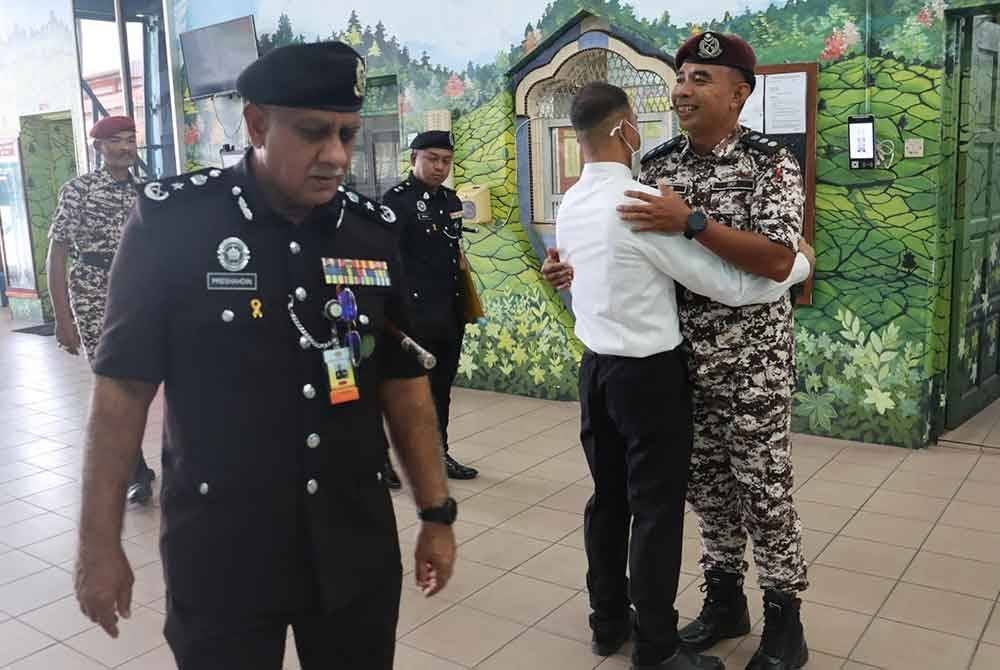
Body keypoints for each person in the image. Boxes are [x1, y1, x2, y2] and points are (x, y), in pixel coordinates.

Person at [73, 42, 458, 670]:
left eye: (347, 134)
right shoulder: (174, 223)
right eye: (312, 132)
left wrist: (435, 511)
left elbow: (403, 384)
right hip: (222, 544)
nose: (335, 155)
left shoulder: (370, 231)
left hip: (350, 539)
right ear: (255, 124)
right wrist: (98, 544)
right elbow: (120, 395)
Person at [544, 33, 813, 670]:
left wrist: (694, 222)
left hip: (753, 364)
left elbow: (775, 255)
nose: (683, 90)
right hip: (679, 362)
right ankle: (724, 600)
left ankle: (785, 620)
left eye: (702, 79)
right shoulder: (658, 165)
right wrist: (577, 271)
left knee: (765, 490)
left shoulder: (770, 164)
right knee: (707, 492)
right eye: (682, 77)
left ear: (740, 93)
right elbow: (635, 258)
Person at [46, 115, 156, 505]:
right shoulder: (79, 191)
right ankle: (135, 470)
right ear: (98, 148)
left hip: (142, 290)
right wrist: (63, 318)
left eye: (131, 140)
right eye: (117, 141)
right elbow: (57, 252)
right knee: (113, 380)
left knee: (146, 379)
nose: (126, 148)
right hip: (94, 290)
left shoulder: (149, 191)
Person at [380, 131, 478, 483]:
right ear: (413, 160)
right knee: (402, 390)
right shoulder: (397, 201)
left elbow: (452, 256)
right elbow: (388, 260)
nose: (440, 166)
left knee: (441, 387)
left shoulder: (451, 200)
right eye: (432, 158)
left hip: (448, 313)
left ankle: (439, 453)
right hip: (412, 315)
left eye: (446, 160)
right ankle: (384, 460)